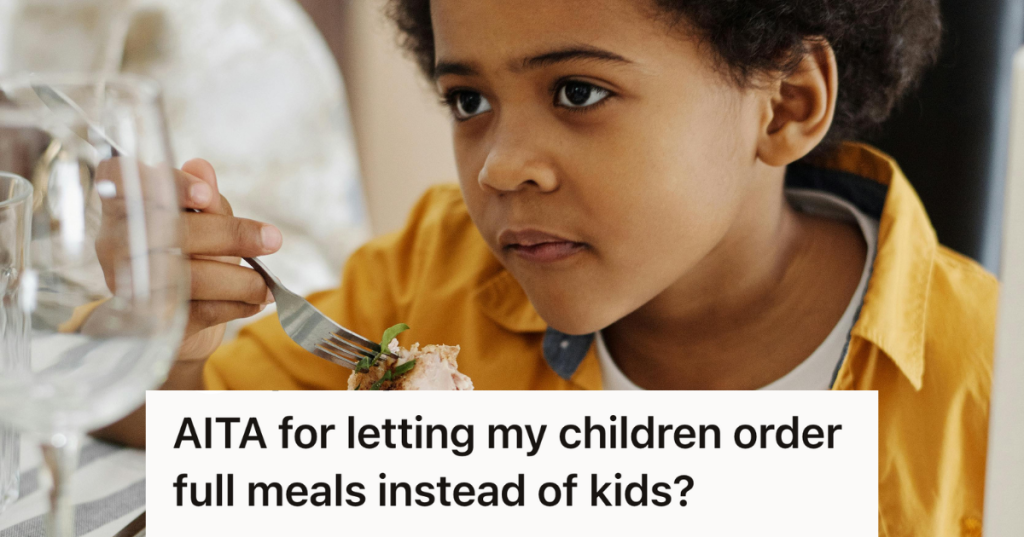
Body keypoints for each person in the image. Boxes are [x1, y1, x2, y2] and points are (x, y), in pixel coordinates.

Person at [96, 1, 995, 534]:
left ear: (785, 105)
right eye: (469, 100)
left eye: (578, 92)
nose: (499, 165)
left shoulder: (985, 391)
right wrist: (166, 342)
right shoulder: (435, 271)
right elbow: (189, 443)